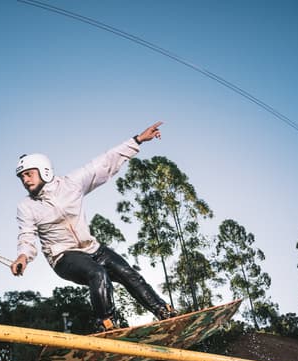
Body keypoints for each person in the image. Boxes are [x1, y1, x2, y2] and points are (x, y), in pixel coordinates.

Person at [11, 121, 176, 332]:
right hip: (63, 257)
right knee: (98, 274)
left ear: (43, 171)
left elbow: (104, 163)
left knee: (128, 273)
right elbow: (26, 235)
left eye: (28, 174)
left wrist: (138, 140)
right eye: (21, 177)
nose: (25, 181)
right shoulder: (26, 206)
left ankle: (164, 312)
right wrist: (23, 256)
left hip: (92, 248)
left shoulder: (71, 184)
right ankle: (105, 323)